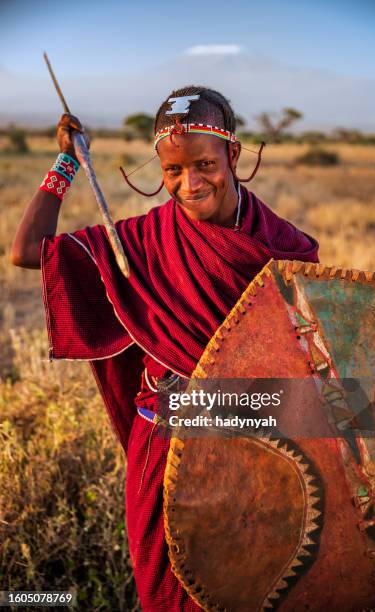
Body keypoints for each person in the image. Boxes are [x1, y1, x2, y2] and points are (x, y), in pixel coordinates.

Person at [11, 86, 319, 611]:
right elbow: (26, 252)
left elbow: (308, 364)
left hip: (261, 450)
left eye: (204, 165)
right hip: (166, 448)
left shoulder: (286, 249)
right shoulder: (141, 239)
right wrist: (65, 162)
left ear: (234, 156)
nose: (189, 185)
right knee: (168, 591)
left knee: (261, 586)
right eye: (173, 171)